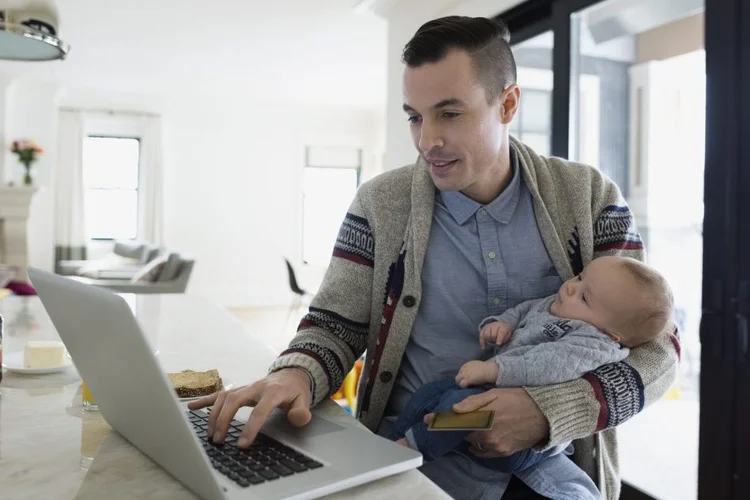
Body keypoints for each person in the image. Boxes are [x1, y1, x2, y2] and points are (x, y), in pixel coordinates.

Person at [190, 15, 680, 500]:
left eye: (449, 113)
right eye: (414, 116)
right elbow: (334, 325)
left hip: (549, 471)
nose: (427, 141)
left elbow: (657, 346)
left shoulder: (589, 198)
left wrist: (547, 411)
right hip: (416, 459)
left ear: (507, 103)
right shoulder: (379, 205)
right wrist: (294, 373)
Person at [387, 256, 673, 497]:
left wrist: (493, 370)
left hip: (526, 444)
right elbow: (530, 308)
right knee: (433, 393)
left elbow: (545, 365)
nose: (571, 288)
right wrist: (504, 323)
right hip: (489, 390)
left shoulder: (592, 343)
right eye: (579, 276)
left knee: (458, 411)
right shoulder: (566, 308)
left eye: (584, 296)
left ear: (612, 333)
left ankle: (414, 448)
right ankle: (395, 439)